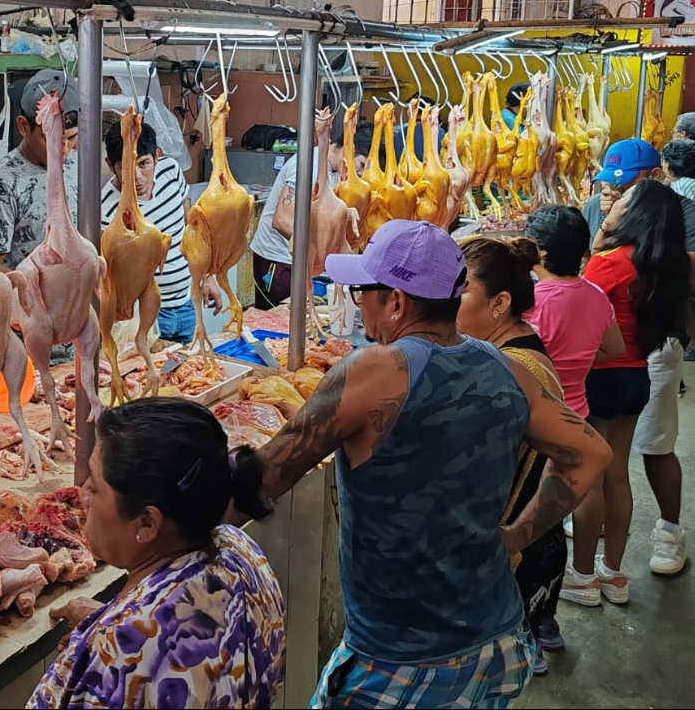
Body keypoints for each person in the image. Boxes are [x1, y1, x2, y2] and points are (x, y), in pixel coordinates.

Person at [233, 220, 611, 709]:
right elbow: (590, 453)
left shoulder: (373, 371)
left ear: (396, 302)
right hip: (497, 641)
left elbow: (267, 476)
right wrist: (516, 535)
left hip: (401, 664)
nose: (355, 298)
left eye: (362, 288)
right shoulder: (508, 368)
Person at [28, 398, 285, 709]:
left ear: (148, 523)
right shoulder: (240, 550)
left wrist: (110, 637)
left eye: (94, 487)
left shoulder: (121, 650)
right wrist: (105, 620)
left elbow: (144, 650)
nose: (83, 496)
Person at [563, 180, 689, 608]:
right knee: (617, 475)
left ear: (638, 214)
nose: (613, 202)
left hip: (600, 378)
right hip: (637, 378)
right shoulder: (664, 264)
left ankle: (581, 578)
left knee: (588, 478)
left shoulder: (610, 263)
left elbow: (581, 308)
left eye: (624, 200)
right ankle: (613, 574)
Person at [456, 236, 570, 678]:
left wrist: (518, 535)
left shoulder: (510, 368)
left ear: (500, 302)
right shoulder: (511, 350)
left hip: (512, 555)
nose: (445, 304)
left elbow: (581, 457)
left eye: (458, 292)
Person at [100, 120, 222, 344]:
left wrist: (207, 276)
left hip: (187, 303)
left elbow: (192, 232)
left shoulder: (171, 172)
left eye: (144, 164)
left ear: (157, 155)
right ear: (110, 165)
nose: (137, 176)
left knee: (192, 372)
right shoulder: (106, 209)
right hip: (147, 318)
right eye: (125, 167)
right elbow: (111, 279)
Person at [250, 118, 369, 309]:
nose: (361, 173)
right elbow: (281, 220)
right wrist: (319, 247)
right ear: (349, 148)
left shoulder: (336, 173)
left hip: (302, 261)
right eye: (361, 164)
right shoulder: (308, 166)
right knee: (280, 321)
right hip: (278, 260)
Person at [523, 205, 624, 422]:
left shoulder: (530, 302)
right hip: (577, 414)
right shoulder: (596, 294)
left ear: (540, 252)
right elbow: (615, 348)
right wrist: (578, 357)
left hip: (537, 419)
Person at [0, 70, 80, 272]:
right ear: (24, 126)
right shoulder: (0, 184)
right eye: (50, 139)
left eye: (71, 138)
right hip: (28, 299)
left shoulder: (79, 166)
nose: (63, 151)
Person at [663, 139, 695, 364]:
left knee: (689, 299)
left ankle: (692, 345)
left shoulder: (682, 187)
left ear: (668, 164)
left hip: (689, 252)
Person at [580, 137, 664, 240]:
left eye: (625, 179)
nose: (617, 186)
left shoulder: (670, 210)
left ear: (655, 175)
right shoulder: (594, 205)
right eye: (611, 180)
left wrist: (622, 214)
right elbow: (584, 255)